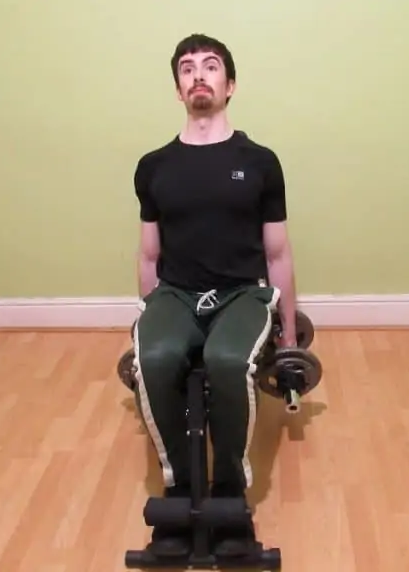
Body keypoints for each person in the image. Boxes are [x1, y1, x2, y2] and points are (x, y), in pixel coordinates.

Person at [131, 33, 300, 559]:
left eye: (210, 67)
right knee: (154, 358)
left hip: (240, 295)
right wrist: (149, 315)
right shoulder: (153, 166)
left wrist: (289, 339)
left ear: (231, 85)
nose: (198, 75)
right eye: (187, 68)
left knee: (228, 361)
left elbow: (277, 256)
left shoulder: (260, 161)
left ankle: (228, 491)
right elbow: (148, 257)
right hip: (177, 295)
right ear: (178, 89)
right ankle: (180, 491)